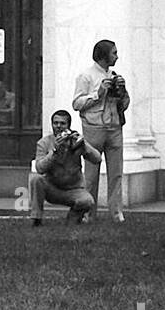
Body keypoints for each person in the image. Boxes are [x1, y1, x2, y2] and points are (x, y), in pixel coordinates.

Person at [72, 39, 130, 222]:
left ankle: (116, 212)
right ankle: (88, 212)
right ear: (103, 55)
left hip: (114, 127)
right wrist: (98, 94)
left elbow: (125, 104)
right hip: (93, 128)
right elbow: (77, 103)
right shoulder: (86, 76)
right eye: (114, 53)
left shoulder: (114, 75)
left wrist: (122, 93)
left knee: (116, 173)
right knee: (90, 174)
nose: (117, 56)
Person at [28, 110, 101, 227]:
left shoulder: (76, 141)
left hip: (73, 190)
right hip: (52, 188)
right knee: (36, 179)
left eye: (62, 123)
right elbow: (40, 168)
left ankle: (72, 220)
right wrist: (54, 152)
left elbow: (97, 159)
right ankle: (36, 219)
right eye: (55, 123)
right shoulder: (44, 143)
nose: (58, 126)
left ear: (69, 126)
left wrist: (83, 145)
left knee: (88, 201)